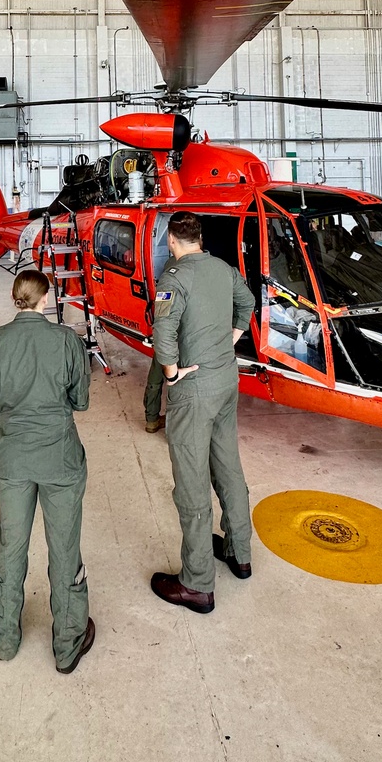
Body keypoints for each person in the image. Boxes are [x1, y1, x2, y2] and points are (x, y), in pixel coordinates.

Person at [0, 270, 94, 674]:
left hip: (11, 460)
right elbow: (80, 401)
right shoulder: (66, 341)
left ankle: (6, 639)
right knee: (64, 550)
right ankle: (67, 643)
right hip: (59, 459)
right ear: (44, 298)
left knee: (10, 547)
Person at [150, 210, 256, 614]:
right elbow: (246, 302)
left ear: (172, 241)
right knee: (228, 467)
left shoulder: (174, 279)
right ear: (199, 237)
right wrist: (234, 334)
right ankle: (238, 552)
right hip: (226, 381)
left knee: (192, 484)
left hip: (194, 391)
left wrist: (172, 373)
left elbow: (163, 334)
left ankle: (196, 583)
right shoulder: (223, 269)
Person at [143, 251, 178, 433]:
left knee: (156, 377)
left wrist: (160, 328)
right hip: (184, 334)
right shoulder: (209, 266)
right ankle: (175, 425)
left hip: (166, 333)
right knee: (178, 380)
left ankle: (151, 419)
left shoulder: (170, 265)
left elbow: (162, 305)